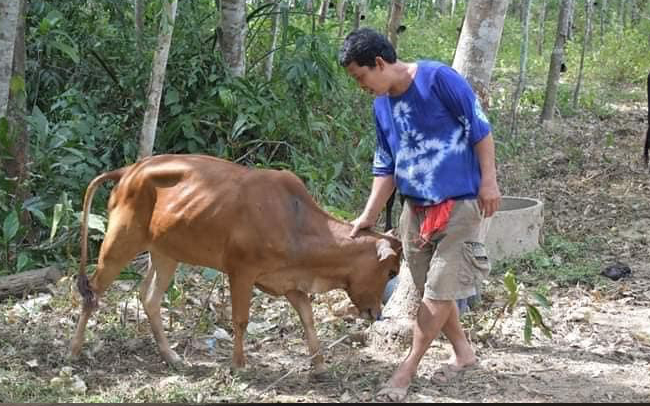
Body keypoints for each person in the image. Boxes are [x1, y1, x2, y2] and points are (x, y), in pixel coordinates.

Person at [338, 28, 501, 402]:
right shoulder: (381, 105)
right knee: (436, 292)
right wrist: (367, 216)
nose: (360, 85)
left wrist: (488, 182)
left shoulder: (438, 79)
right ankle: (464, 355)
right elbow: (386, 167)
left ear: (379, 63)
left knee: (439, 293)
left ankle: (406, 370)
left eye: (360, 76)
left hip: (460, 206)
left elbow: (480, 131)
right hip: (416, 211)